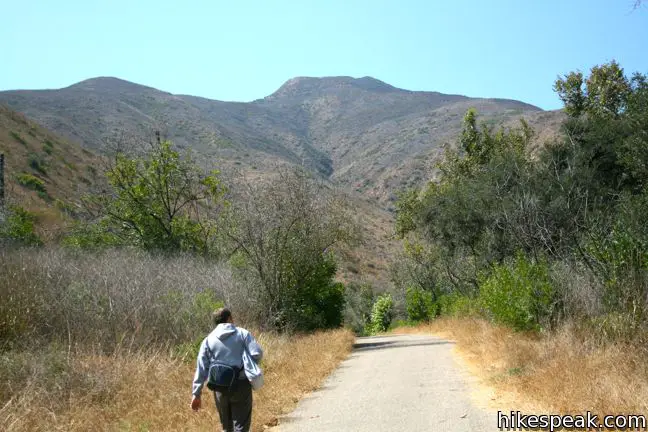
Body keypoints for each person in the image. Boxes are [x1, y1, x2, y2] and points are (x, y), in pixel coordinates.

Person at [191, 307, 263, 432]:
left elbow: (201, 368)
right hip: (241, 384)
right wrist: (248, 364)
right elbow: (257, 353)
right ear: (229, 318)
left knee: (226, 427)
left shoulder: (208, 340)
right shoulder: (242, 333)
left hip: (219, 387)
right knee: (241, 426)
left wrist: (196, 394)